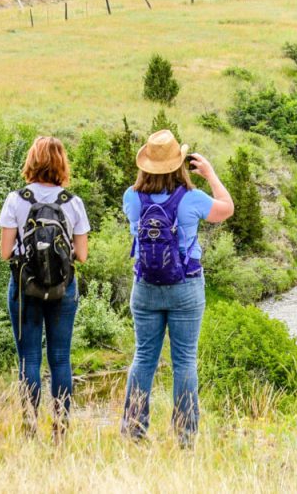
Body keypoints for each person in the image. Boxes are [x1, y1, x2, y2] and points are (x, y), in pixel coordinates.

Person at [121, 130, 233, 446]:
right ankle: (185, 437)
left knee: (144, 358)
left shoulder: (131, 197)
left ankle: (133, 433)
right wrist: (209, 173)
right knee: (184, 361)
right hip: (186, 286)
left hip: (145, 287)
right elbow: (227, 208)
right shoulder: (191, 198)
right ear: (180, 163)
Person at [0, 136, 90, 435]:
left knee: (29, 358)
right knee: (61, 358)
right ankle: (61, 427)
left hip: (25, 289)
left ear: (32, 161)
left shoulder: (16, 200)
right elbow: (83, 256)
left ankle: (29, 426)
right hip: (63, 289)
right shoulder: (73, 203)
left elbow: (4, 252)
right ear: (62, 163)